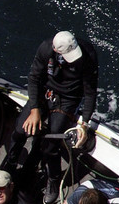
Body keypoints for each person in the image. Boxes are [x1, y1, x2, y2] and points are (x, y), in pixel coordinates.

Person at [10, 31, 99, 187]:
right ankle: (11, 162)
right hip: (45, 91)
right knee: (19, 130)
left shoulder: (88, 55)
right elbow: (34, 79)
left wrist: (84, 123)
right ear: (56, 50)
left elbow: (90, 93)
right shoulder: (45, 49)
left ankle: (54, 179)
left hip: (68, 99)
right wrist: (35, 109)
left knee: (51, 145)